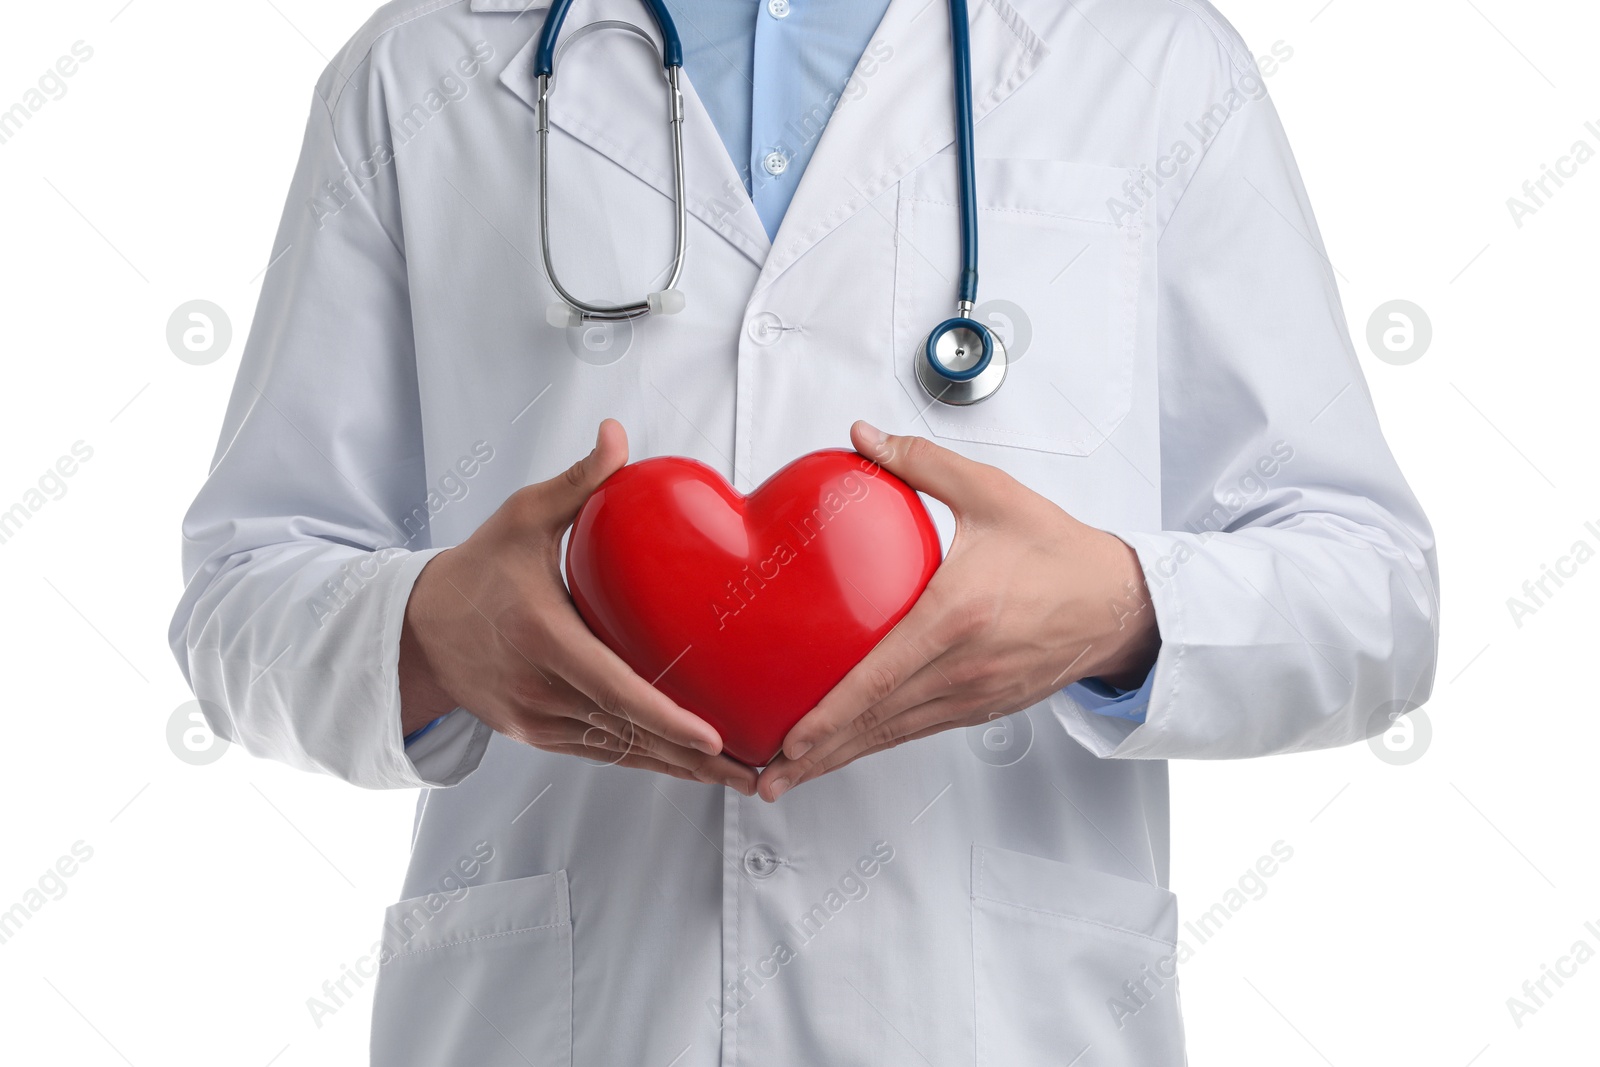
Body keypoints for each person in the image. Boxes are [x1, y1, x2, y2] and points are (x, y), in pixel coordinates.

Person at [170, 0, 1439, 1063]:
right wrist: (430, 632)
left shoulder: (1146, 61)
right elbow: (242, 592)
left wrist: (1117, 610)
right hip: (570, 1017)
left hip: (988, 1015)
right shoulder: (422, 69)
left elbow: (1375, 592)